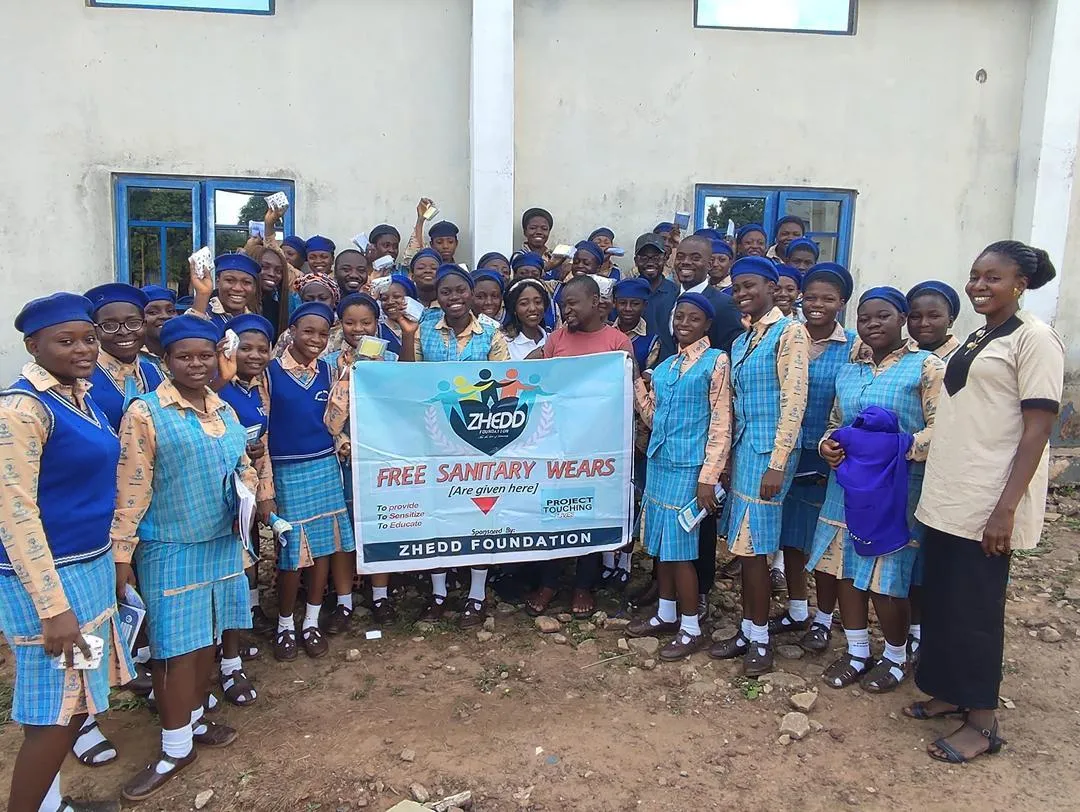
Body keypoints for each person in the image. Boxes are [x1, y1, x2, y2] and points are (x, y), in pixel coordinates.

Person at [910, 241, 1062, 764]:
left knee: (975, 609)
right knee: (945, 598)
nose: (979, 285)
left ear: (1020, 284)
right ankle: (949, 691)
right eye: (975, 276)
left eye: (992, 278)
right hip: (951, 495)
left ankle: (982, 722)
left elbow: (1038, 428)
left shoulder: (1034, 339)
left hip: (989, 500)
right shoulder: (980, 333)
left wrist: (1006, 509)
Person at [112, 314, 259, 801]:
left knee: (205, 642)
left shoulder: (225, 411)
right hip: (170, 546)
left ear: (219, 356)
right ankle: (175, 747)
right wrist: (122, 555)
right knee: (174, 649)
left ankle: (193, 723)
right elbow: (131, 488)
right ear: (167, 360)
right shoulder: (146, 413)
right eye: (184, 357)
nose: (195, 365)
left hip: (221, 544)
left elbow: (243, 466)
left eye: (203, 355)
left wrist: (252, 494)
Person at [1, 293, 135, 812]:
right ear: (33, 345)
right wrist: (53, 609)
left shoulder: (77, 396)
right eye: (66, 340)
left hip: (88, 569)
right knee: (52, 714)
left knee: (74, 701)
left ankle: (51, 805)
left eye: (87, 338)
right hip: (50, 582)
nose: (83, 349)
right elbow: (14, 515)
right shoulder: (20, 410)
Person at [806, 287, 943, 694]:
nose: (872, 324)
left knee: (887, 580)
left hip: (894, 488)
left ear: (902, 318)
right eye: (865, 318)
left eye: (882, 316)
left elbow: (943, 430)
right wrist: (827, 446)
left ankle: (896, 657)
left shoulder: (926, 367)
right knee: (845, 569)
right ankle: (858, 651)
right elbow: (835, 422)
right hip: (845, 485)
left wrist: (900, 447)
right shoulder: (851, 369)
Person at [710, 256, 809, 676]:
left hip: (770, 456)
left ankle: (761, 640)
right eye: (736, 288)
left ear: (773, 287)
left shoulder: (790, 333)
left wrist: (778, 462)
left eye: (750, 285)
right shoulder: (742, 340)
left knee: (755, 550)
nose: (742, 294)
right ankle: (750, 630)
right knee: (747, 551)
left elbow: (794, 400)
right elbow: (735, 406)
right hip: (746, 453)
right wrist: (729, 459)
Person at [627, 292, 731, 659]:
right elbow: (655, 420)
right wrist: (639, 385)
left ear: (707, 325)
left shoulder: (716, 362)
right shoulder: (668, 366)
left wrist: (710, 476)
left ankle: (691, 626)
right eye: (679, 318)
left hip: (690, 469)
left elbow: (720, 421)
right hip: (660, 465)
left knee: (682, 551)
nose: (684, 324)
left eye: (693, 319)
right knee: (662, 549)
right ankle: (666, 613)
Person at [523, 275, 632, 617]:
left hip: (600, 447)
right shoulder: (556, 340)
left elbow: (628, 390)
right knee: (552, 513)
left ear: (595, 303)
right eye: (562, 305)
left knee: (589, 514)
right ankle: (549, 581)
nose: (565, 310)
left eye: (572, 303)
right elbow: (537, 380)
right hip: (558, 444)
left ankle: (583, 584)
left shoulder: (617, 342)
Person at [414, 265, 509, 627]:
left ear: (471, 292)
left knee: (479, 513)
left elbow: (500, 384)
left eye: (460, 291)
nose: (454, 298)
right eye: (446, 292)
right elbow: (412, 378)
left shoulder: (491, 332)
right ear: (437, 296)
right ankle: (438, 593)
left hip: (478, 438)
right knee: (436, 511)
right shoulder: (425, 328)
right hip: (434, 438)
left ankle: (476, 595)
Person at [769, 263, 855, 651]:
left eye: (828, 298)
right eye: (812, 296)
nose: (817, 304)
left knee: (825, 540)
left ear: (842, 303)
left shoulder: (853, 346)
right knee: (792, 536)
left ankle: (824, 618)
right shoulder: (787, 336)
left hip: (830, 456)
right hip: (788, 452)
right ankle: (798, 608)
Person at [265, 302, 357, 660]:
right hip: (287, 471)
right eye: (308, 331)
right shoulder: (270, 373)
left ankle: (312, 621)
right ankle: (286, 625)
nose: (316, 339)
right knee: (292, 553)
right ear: (291, 332)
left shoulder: (329, 371)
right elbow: (266, 427)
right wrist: (266, 487)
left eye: (322, 333)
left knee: (322, 549)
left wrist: (343, 442)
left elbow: (332, 421)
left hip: (323, 467)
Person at [326, 292, 413, 625]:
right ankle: (345, 601)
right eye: (350, 322)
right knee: (345, 531)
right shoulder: (329, 361)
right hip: (343, 458)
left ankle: (380, 597)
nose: (357, 329)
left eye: (365, 322)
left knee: (380, 526)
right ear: (340, 324)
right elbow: (325, 413)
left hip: (379, 457)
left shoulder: (389, 360)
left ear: (377, 323)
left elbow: (406, 394)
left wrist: (406, 336)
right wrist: (342, 440)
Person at [214, 314, 278, 701]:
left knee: (245, 564)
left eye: (261, 348)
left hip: (246, 491)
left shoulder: (260, 388)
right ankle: (221, 656)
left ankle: (234, 649)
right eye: (245, 348)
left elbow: (261, 438)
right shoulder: (216, 387)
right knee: (223, 572)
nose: (254, 355)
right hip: (214, 495)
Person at [904, 279, 961, 666]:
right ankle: (911, 630)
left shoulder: (959, 359)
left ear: (950, 318)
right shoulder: (906, 359)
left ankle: (930, 633)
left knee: (935, 557)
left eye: (933, 315)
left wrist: (897, 449)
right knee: (910, 554)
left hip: (946, 471)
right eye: (915, 316)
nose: (924, 323)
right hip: (907, 475)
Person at [85, 283, 167, 432]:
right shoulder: (84, 379)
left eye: (133, 323)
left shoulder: (154, 372)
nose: (123, 331)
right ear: (95, 330)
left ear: (144, 325)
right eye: (110, 326)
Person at [654, 234, 743, 359]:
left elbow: (731, 352)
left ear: (710, 264)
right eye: (680, 257)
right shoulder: (664, 302)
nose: (685, 262)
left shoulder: (725, 305)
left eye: (695, 258)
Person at [271, 271, 345, 360]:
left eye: (323, 298)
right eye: (309, 299)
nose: (316, 303)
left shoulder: (343, 332)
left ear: (334, 301)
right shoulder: (290, 334)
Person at [189, 252, 259, 330]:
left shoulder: (256, 323)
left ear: (254, 287)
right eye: (229, 280)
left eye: (246, 282)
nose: (237, 288)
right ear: (218, 282)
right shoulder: (200, 312)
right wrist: (202, 294)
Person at [613, 278, 659, 371]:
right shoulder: (606, 332)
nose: (628, 308)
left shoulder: (652, 340)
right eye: (622, 303)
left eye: (635, 304)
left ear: (645, 305)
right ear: (614, 303)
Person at [502, 278, 551, 360]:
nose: (532, 308)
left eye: (538, 302)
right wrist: (528, 361)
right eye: (524, 303)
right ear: (514, 309)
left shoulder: (553, 339)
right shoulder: (503, 342)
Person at [141, 284, 177, 375]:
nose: (165, 316)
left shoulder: (185, 352)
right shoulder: (132, 359)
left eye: (170, 311)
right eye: (153, 312)